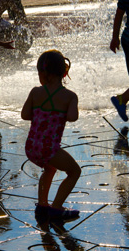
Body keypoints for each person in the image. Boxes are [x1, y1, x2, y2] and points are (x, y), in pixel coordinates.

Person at [21, 49, 81, 221]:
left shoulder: (35, 92)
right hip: (49, 149)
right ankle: (56, 208)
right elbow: (72, 117)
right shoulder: (69, 96)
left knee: (49, 168)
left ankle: (42, 206)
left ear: (42, 72)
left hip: (31, 147)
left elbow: (25, 115)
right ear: (64, 72)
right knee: (74, 171)